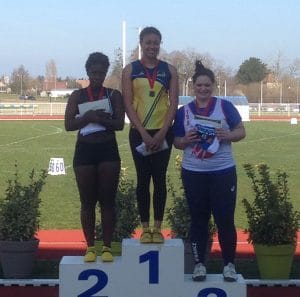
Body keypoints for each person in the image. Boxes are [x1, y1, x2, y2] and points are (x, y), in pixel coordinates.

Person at [173, 60, 246, 281]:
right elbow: (176, 141)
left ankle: (229, 265)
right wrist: (185, 139)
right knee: (198, 220)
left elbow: (241, 131)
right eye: (199, 86)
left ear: (213, 86)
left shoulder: (225, 107)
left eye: (207, 85)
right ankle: (199, 265)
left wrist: (228, 135)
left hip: (222, 171)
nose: (203, 89)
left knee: (225, 219)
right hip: (193, 172)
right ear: (193, 87)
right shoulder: (184, 112)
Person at [65, 52, 124, 262]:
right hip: (84, 152)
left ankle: (106, 247)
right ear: (88, 72)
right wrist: (89, 118)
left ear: (106, 72)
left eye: (101, 72)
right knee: (87, 202)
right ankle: (90, 247)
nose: (97, 76)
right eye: (94, 72)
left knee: (108, 202)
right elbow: (68, 125)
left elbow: (119, 124)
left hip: (108, 151)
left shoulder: (114, 95)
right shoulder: (77, 96)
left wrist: (98, 118)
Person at [122, 26, 178, 244]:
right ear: (141, 44)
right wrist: (144, 134)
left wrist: (163, 132)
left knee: (160, 179)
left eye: (156, 42)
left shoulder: (170, 70)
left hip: (163, 132)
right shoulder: (130, 70)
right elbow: (127, 103)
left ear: (160, 44)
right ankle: (144, 228)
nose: (152, 46)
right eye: (148, 42)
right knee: (143, 180)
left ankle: (158, 228)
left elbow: (173, 103)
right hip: (139, 133)